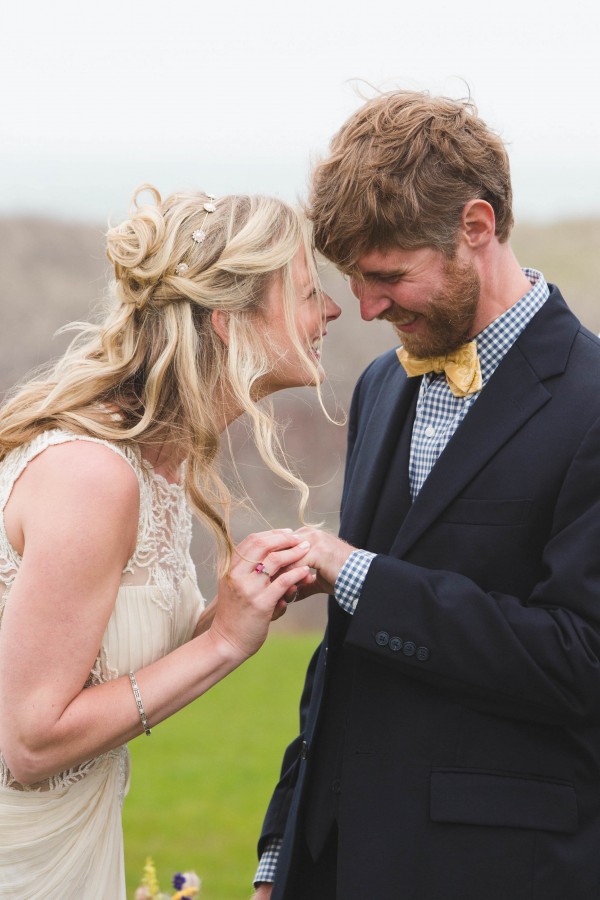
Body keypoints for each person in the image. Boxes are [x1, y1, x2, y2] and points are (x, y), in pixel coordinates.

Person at [252, 90, 600, 900]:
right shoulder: (382, 385)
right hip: (335, 864)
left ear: (476, 228)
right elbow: (344, 650)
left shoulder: (591, 403)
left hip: (499, 871)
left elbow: (582, 661)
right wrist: (282, 847)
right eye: (353, 281)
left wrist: (364, 577)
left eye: (387, 277)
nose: (367, 309)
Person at [0, 184, 341, 899]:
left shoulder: (162, 463)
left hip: (73, 842)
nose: (331, 313)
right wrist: (224, 647)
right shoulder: (93, 478)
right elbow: (30, 743)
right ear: (229, 322)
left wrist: (231, 610)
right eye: (309, 295)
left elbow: (98, 657)